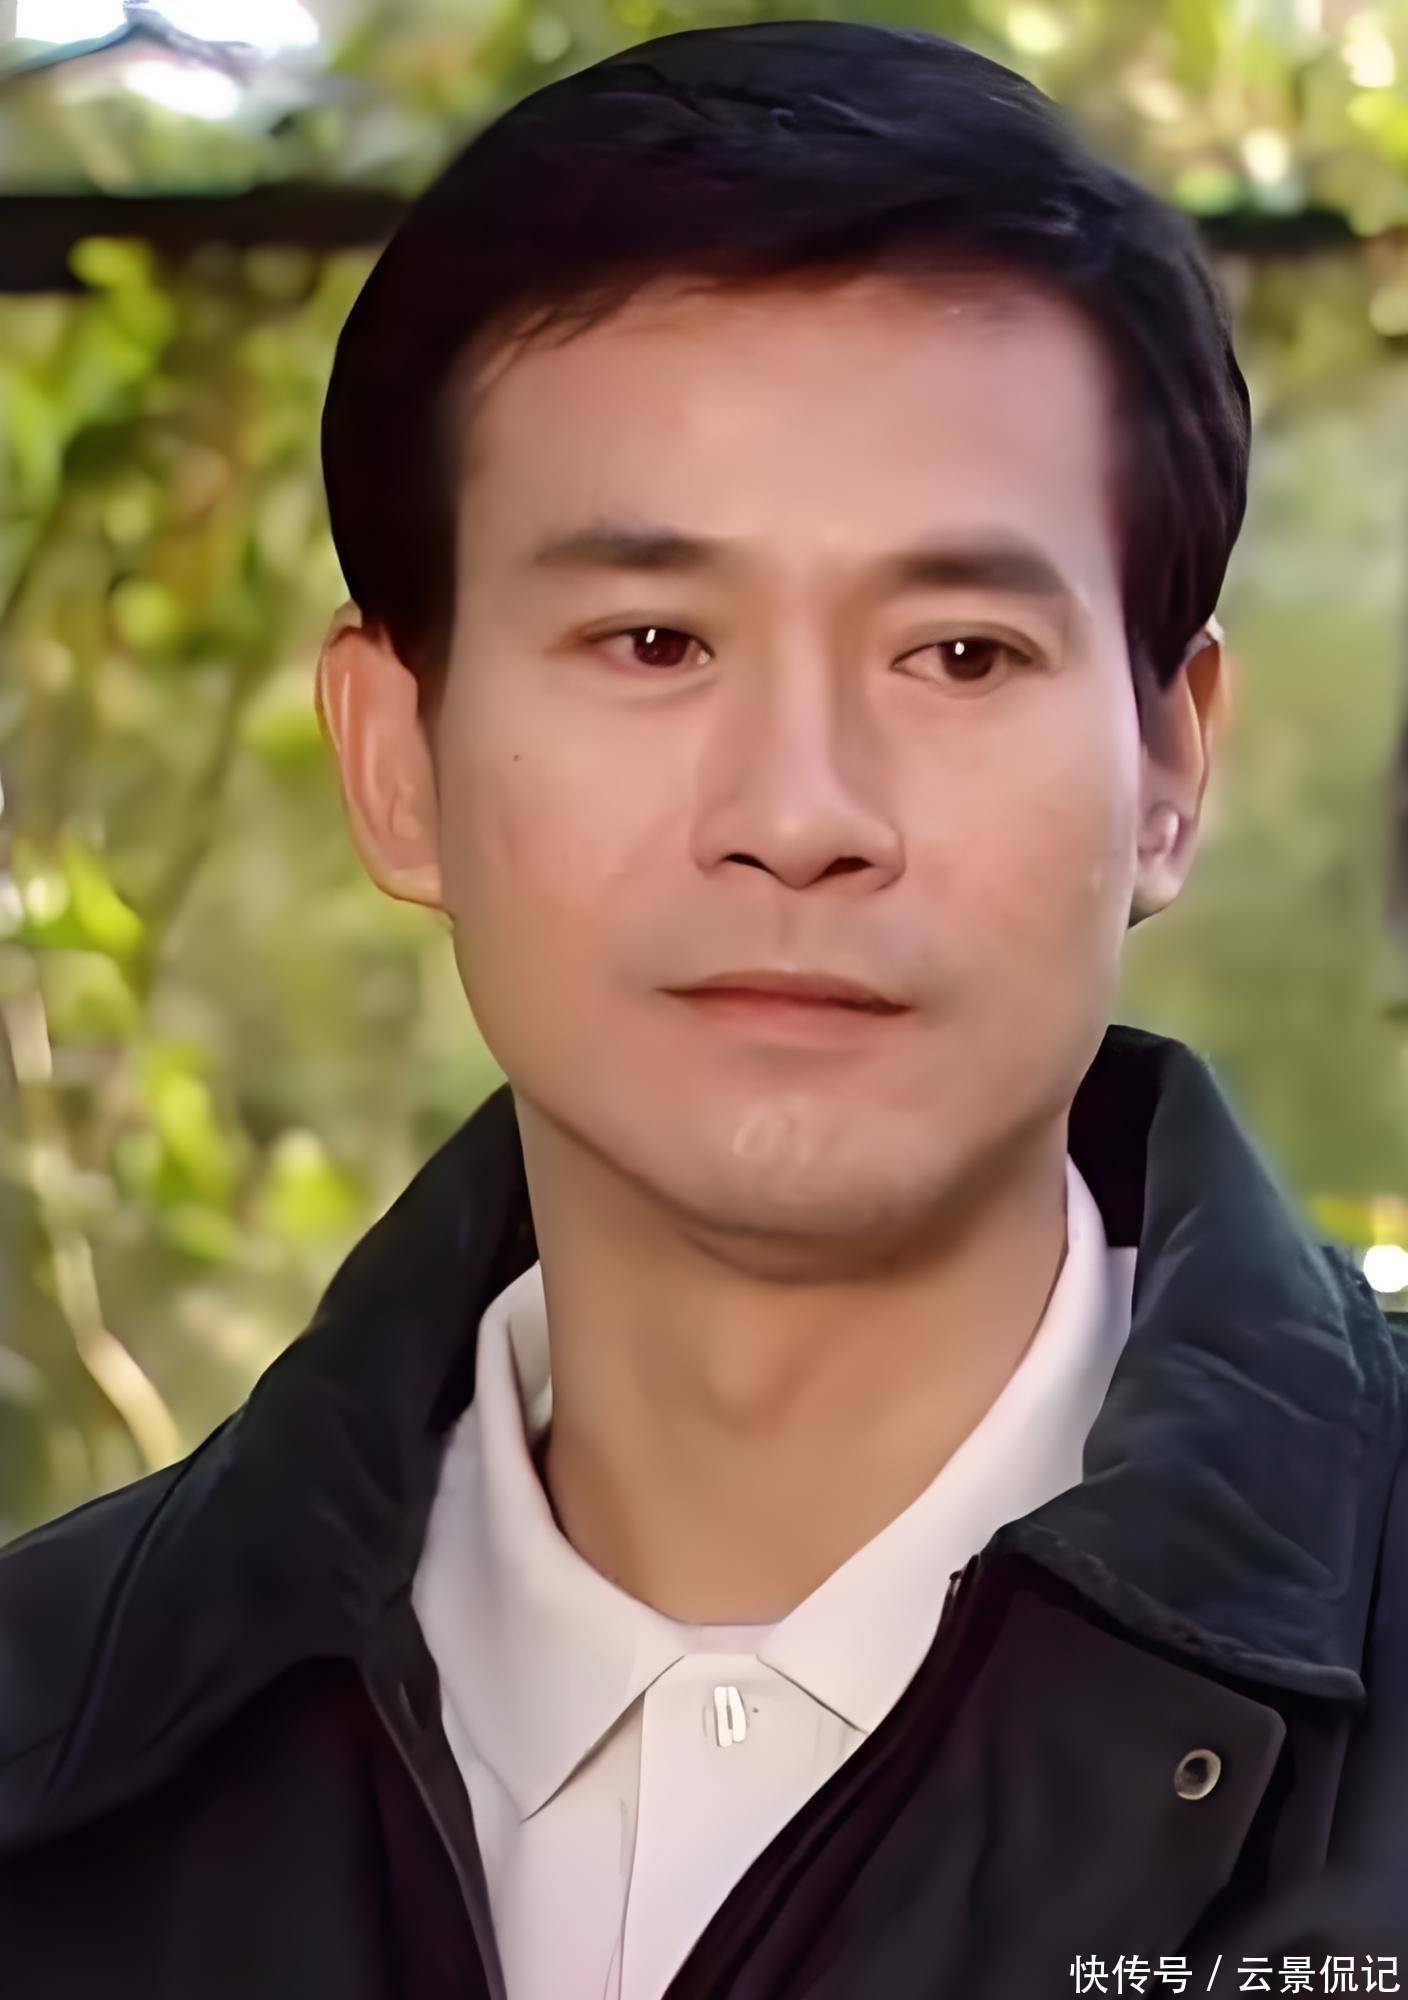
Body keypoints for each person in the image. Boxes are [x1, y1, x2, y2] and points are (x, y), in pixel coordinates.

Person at [3, 18, 1406, 1998]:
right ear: (393, 757)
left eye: (958, 653)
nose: (799, 815)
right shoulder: (54, 1754)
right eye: (654, 640)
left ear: (1169, 763)